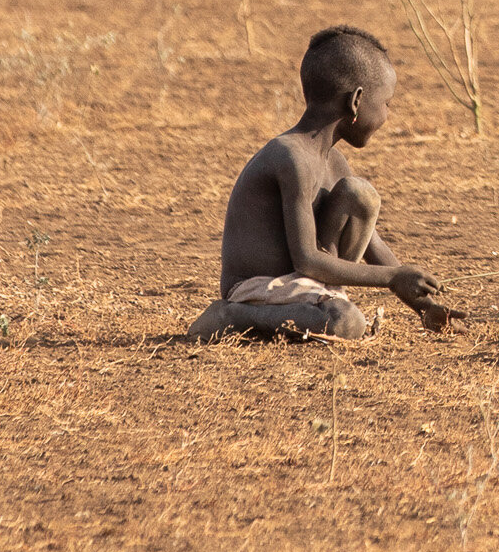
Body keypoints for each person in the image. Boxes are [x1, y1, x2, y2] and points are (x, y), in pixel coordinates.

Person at [188, 25, 461, 342]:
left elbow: (373, 246)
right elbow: (307, 259)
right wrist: (392, 277)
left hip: (305, 283)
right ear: (357, 101)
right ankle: (232, 316)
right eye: (387, 103)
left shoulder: (334, 162)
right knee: (345, 323)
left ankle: (320, 304)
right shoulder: (291, 157)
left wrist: (424, 305)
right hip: (258, 287)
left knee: (360, 195)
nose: (388, 113)